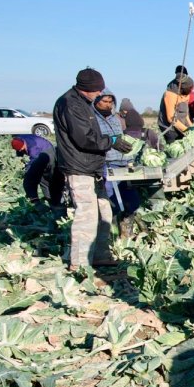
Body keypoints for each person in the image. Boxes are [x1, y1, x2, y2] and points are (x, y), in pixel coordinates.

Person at [53, 67, 132, 270]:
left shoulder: (83, 103)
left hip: (92, 167)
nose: (100, 94)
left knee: (104, 212)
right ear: (87, 88)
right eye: (97, 90)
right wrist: (112, 141)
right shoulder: (70, 104)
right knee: (86, 216)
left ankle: (100, 255)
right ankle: (79, 263)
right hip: (79, 167)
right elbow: (84, 139)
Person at [92, 91, 141, 237]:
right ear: (96, 102)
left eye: (110, 102)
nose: (108, 105)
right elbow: (96, 141)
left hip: (123, 162)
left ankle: (126, 230)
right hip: (107, 163)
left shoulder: (115, 119)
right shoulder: (93, 119)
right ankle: (109, 234)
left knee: (131, 198)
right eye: (104, 101)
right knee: (109, 199)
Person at [10, 134, 64, 207]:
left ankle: (56, 201)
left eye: (23, 149)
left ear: (24, 144)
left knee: (48, 178)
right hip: (44, 152)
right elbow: (19, 150)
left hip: (46, 150)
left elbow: (34, 161)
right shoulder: (18, 139)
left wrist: (28, 169)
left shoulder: (33, 147)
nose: (22, 151)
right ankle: (52, 200)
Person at [158, 67, 194, 142]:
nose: (191, 90)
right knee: (175, 144)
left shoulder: (186, 94)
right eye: (190, 88)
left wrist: (191, 127)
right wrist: (186, 129)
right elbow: (171, 118)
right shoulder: (170, 95)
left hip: (180, 122)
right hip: (168, 127)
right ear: (182, 88)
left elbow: (185, 114)